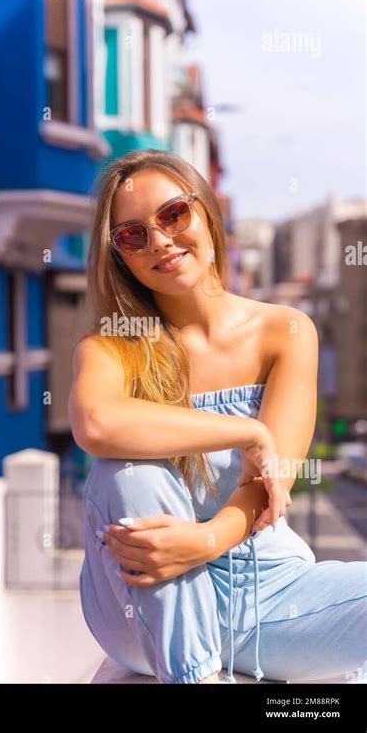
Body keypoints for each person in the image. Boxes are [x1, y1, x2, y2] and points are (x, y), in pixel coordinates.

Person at [68, 149, 367, 684]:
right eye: (132, 236)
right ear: (121, 258)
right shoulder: (112, 347)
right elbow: (95, 423)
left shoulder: (286, 331)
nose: (159, 239)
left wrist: (201, 544)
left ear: (206, 212)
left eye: (173, 215)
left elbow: (267, 485)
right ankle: (196, 676)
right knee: (128, 471)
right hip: (140, 599)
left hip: (264, 590)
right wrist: (246, 428)